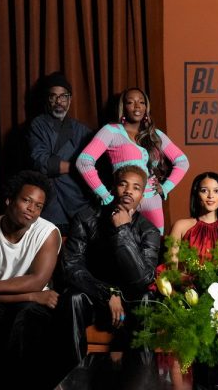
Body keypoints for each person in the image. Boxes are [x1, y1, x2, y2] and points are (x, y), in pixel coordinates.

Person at [0, 170, 62, 389]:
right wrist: (32, 296)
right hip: (5, 300)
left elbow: (37, 281)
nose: (32, 209)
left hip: (31, 304)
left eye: (38, 206)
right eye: (27, 200)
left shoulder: (48, 233)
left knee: (26, 317)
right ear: (9, 200)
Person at [57, 165, 161, 371]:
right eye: (123, 184)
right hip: (95, 298)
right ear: (113, 189)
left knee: (147, 298)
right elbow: (71, 266)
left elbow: (143, 280)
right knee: (72, 297)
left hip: (130, 303)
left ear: (142, 195)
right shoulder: (86, 218)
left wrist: (123, 230)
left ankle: (144, 376)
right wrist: (108, 292)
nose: (129, 191)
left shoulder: (149, 231)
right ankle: (73, 375)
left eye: (136, 188)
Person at [76, 87, 189, 233]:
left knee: (153, 245)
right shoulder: (111, 131)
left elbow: (182, 161)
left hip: (152, 203)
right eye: (131, 102)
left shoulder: (155, 135)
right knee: (123, 243)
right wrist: (104, 194)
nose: (137, 106)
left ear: (146, 107)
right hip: (124, 202)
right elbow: (84, 161)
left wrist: (165, 188)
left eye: (141, 102)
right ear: (123, 107)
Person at [28, 71, 93, 235]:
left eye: (63, 96)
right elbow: (41, 162)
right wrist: (78, 167)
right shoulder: (38, 125)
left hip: (77, 200)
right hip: (50, 203)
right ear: (47, 99)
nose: (59, 101)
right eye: (53, 96)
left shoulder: (81, 130)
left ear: (70, 99)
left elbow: (95, 162)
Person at [168, 171, 218, 258]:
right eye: (204, 191)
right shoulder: (180, 226)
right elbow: (171, 264)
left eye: (216, 191)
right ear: (196, 194)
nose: (211, 196)